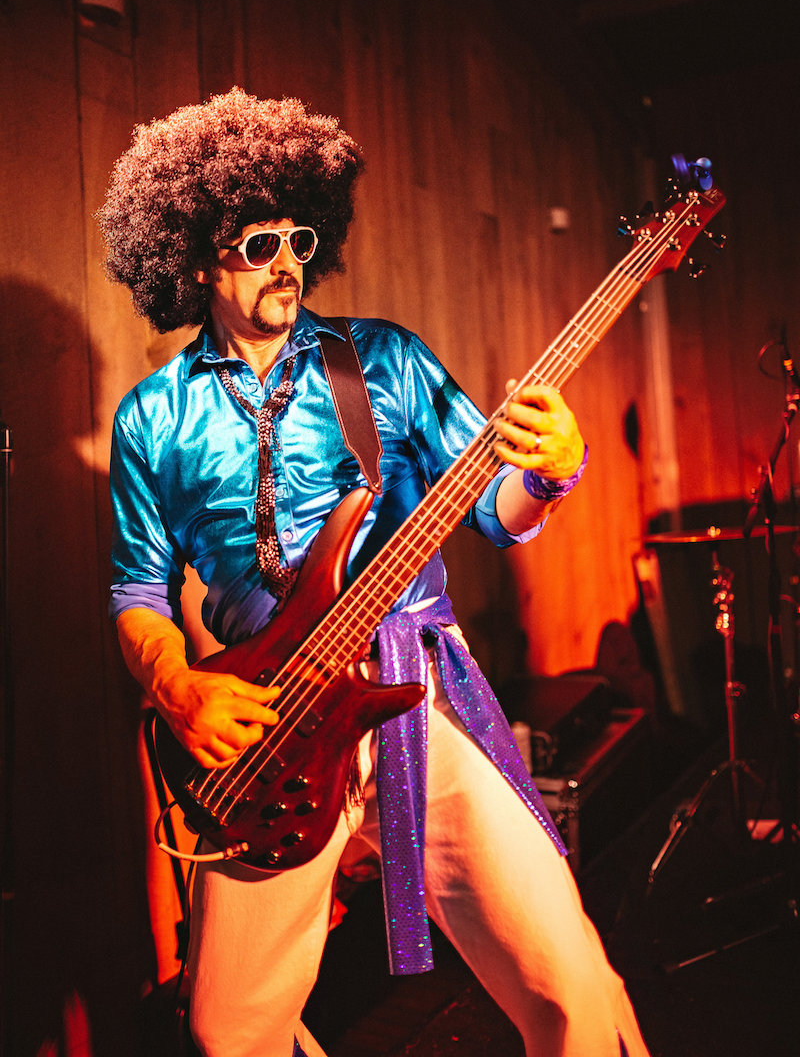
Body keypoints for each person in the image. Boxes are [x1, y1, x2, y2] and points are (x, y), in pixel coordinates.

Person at [100, 88, 649, 1057]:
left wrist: (552, 467)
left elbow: (495, 509)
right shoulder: (151, 418)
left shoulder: (380, 362)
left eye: (295, 240)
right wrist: (177, 683)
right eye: (254, 244)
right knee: (229, 1031)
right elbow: (137, 592)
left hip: (411, 699)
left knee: (566, 978)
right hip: (266, 732)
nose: (285, 264)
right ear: (192, 257)